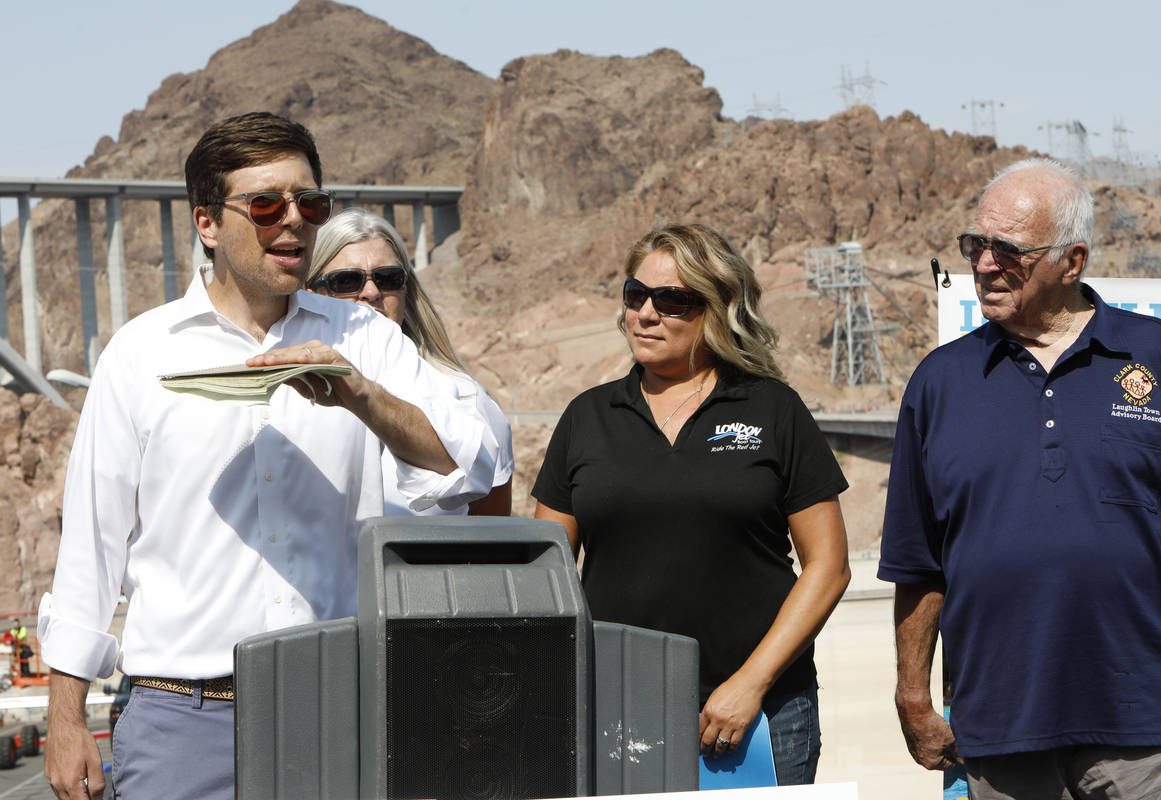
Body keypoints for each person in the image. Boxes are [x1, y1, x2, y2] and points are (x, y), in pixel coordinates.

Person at [38, 112, 492, 800]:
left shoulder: (364, 338)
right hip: (181, 723)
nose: (294, 222)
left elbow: (473, 462)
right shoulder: (140, 354)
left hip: (339, 710)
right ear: (208, 223)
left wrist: (362, 396)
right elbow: (91, 547)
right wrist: (65, 716)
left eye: (310, 204)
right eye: (266, 204)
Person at [880, 157, 1161, 798]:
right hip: (1002, 727)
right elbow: (919, 561)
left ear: (1072, 262)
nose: (985, 264)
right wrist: (914, 696)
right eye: (975, 245)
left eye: (1009, 251)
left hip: (1153, 730)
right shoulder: (940, 382)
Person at [532, 223, 851, 784]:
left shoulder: (774, 410)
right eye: (636, 295)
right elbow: (546, 578)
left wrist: (750, 684)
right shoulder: (586, 417)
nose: (646, 314)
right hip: (617, 714)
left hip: (761, 715)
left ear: (717, 309)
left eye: (672, 300)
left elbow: (828, 567)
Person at [307, 208, 513, 516]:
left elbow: (491, 538)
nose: (371, 292)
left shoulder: (467, 401)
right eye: (346, 281)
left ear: (407, 289)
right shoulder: (285, 397)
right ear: (311, 293)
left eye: (388, 278)